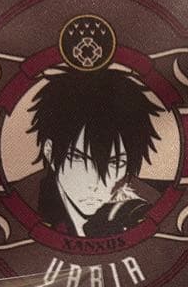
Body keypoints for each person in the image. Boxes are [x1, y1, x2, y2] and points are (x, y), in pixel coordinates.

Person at [25, 67, 167, 237]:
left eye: (115, 162)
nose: (94, 183)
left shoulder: (152, 205)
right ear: (49, 152)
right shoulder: (25, 202)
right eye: (77, 158)